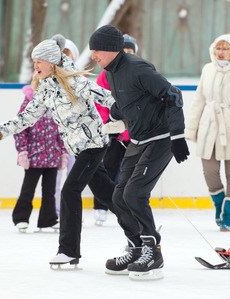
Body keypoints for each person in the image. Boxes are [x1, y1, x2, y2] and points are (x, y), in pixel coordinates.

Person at [0, 34, 116, 266]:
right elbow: (25, 119)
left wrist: (122, 119)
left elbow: (108, 98)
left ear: (52, 62)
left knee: (70, 191)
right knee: (107, 193)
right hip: (79, 149)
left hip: (93, 144)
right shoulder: (45, 89)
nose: (35, 66)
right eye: (34, 62)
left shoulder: (75, 82)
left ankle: (69, 251)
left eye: (39, 61)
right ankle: (141, 228)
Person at [89, 25, 189, 280]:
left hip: (160, 138)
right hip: (138, 139)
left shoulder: (137, 68)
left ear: (111, 49)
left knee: (135, 193)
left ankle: (152, 252)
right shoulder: (110, 73)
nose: (93, 56)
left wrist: (177, 137)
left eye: (96, 51)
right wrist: (114, 116)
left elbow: (173, 96)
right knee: (119, 197)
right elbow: (129, 103)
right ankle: (135, 247)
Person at [185, 33, 230, 232]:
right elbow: (199, 99)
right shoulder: (208, 70)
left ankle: (228, 214)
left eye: (226, 48)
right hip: (209, 125)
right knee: (209, 172)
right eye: (219, 48)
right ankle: (219, 204)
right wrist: (192, 128)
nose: (221, 52)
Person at [92, 34, 137, 226]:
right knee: (107, 168)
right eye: (123, 51)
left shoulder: (138, 71)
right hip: (112, 132)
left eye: (130, 51)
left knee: (133, 170)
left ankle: (131, 205)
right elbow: (99, 103)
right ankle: (101, 207)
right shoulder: (105, 74)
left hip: (133, 133)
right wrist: (107, 124)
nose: (126, 54)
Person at [12, 78, 67, 233]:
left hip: (52, 155)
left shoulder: (56, 102)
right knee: (28, 189)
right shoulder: (29, 103)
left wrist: (63, 151)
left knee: (50, 191)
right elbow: (19, 128)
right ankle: (21, 218)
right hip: (34, 155)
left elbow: (61, 129)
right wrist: (22, 151)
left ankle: (48, 219)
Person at [54, 38, 79, 217]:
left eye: (67, 54)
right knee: (54, 180)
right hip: (53, 140)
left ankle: (71, 213)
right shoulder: (48, 80)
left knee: (73, 179)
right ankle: (55, 211)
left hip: (73, 138)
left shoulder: (77, 80)